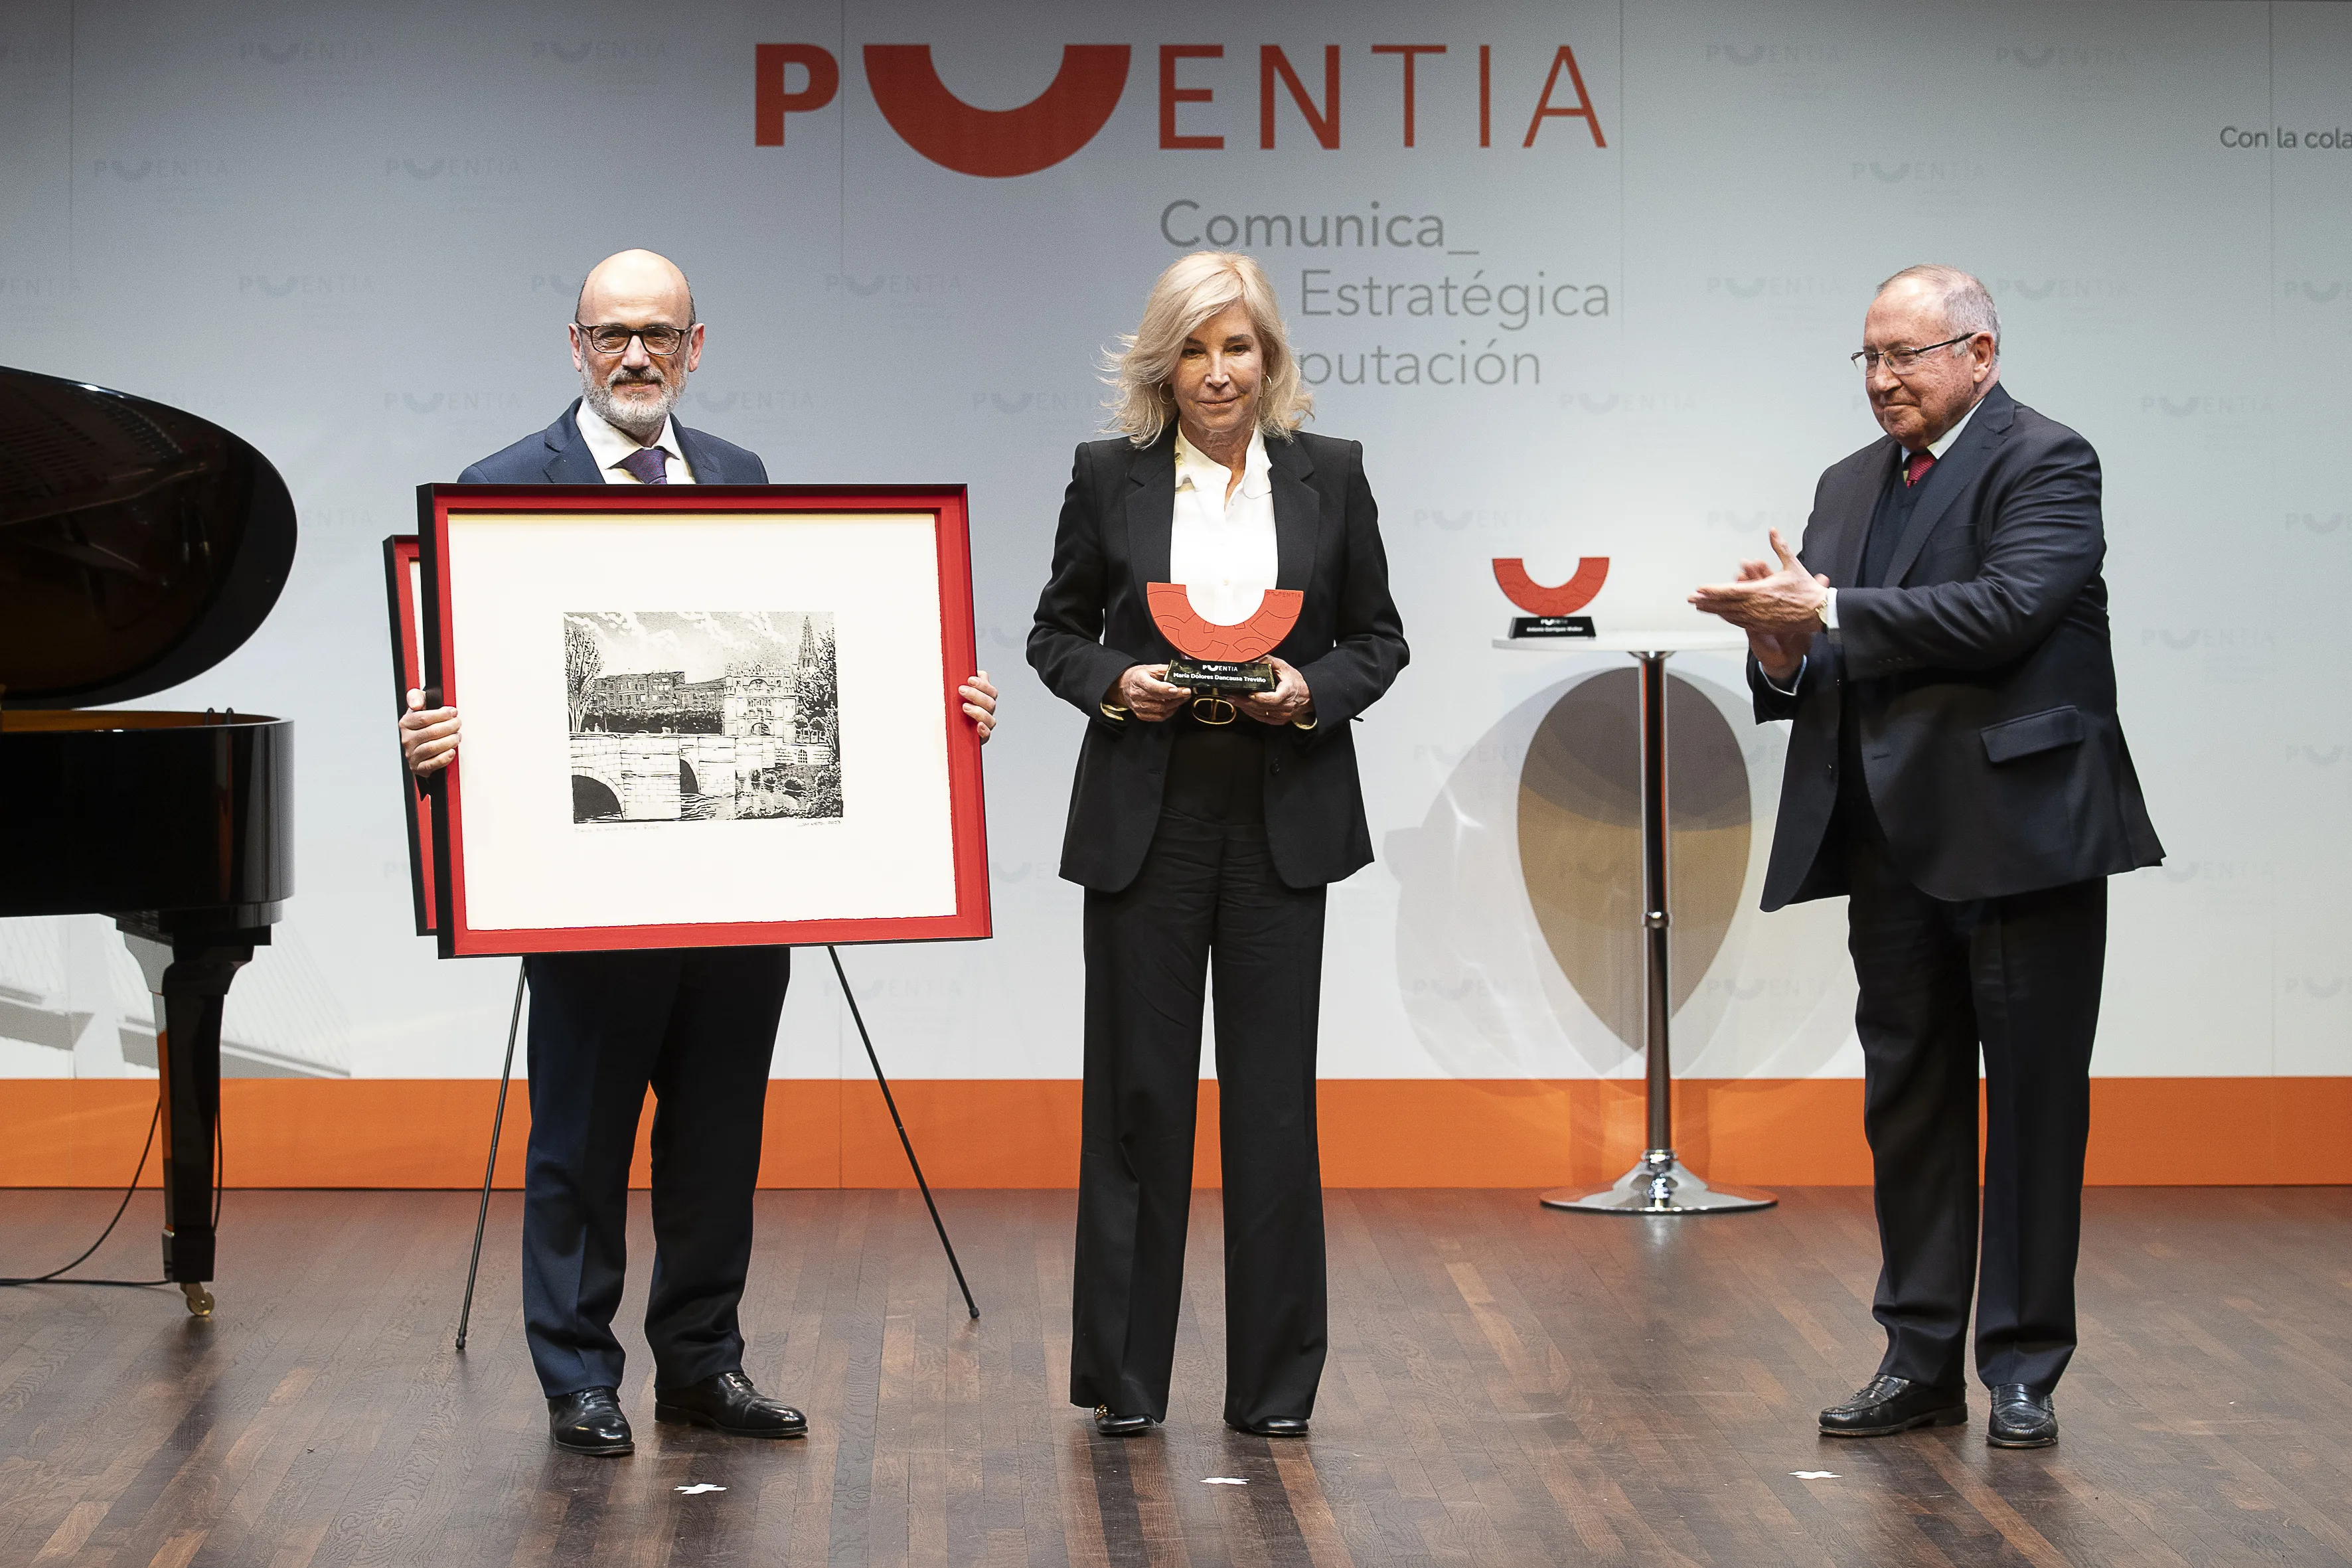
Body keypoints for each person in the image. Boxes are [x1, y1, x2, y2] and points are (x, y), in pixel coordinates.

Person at [399, 248, 1000, 1456]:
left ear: (695, 346)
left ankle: (700, 1367)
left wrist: (940, 715)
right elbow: (471, 691)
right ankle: (577, 1376)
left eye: (658, 336)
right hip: (583, 890)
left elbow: (794, 667)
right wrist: (429, 735)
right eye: (612, 333)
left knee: (718, 1141)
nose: (635, 355)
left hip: (741, 889)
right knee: (579, 1142)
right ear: (573, 344)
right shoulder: (502, 485)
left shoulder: (742, 476)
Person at [1691, 264, 2163, 1450]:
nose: (1884, 379)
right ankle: (1914, 1359)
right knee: (1906, 1103)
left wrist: (1828, 612)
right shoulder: (1845, 483)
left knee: (2036, 1105)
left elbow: (2005, 610)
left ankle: (2021, 1365)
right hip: (1890, 839)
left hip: (2022, 834)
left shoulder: (2047, 461)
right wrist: (1781, 647)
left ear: (1980, 355)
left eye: (1906, 355)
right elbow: (1820, 647)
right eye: (1868, 357)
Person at [1028, 251, 1407, 1439]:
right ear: (1162, 362)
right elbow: (1055, 633)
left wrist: (1310, 690)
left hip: (1278, 815)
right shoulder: (1108, 476)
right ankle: (1127, 1387)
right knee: (1138, 1105)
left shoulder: (1330, 476)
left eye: (1235, 346)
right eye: (1191, 349)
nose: (1215, 372)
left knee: (1273, 1109)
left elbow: (1380, 641)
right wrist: (1112, 679)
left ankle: (1276, 1391)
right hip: (1149, 816)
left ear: (1269, 356)